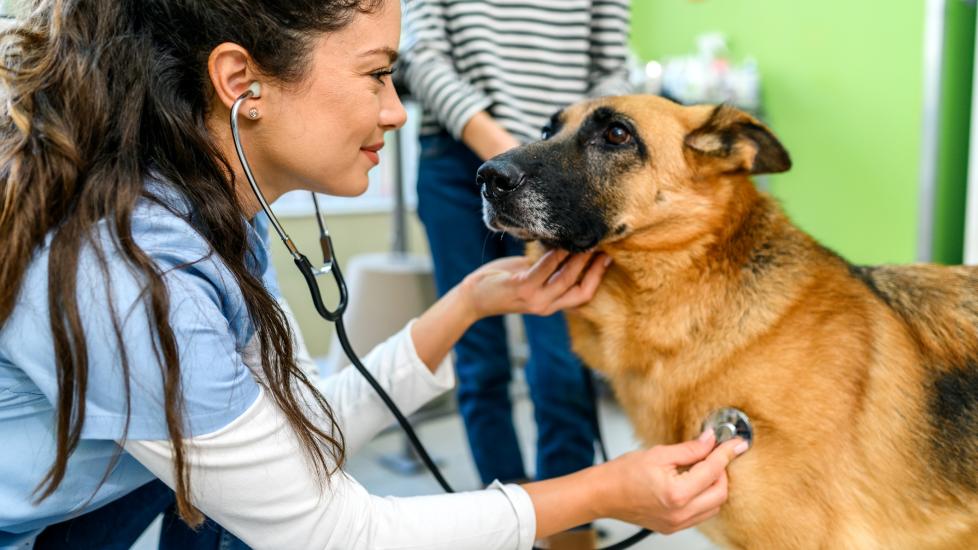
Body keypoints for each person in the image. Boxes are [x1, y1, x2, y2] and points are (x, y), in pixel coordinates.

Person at [0, 2, 747, 549]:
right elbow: (331, 528)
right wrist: (602, 491)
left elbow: (292, 432)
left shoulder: (218, 213)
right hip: (39, 523)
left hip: (102, 489)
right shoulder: (134, 275)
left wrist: (466, 306)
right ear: (240, 83)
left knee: (239, 502)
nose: (396, 111)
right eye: (378, 75)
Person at [400, 4, 634, 544]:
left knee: (562, 358)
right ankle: (503, 522)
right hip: (458, 155)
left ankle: (571, 526)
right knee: (480, 359)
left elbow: (611, 66)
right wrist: (502, 151)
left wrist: (567, 149)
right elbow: (422, 55)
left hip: (564, 157)